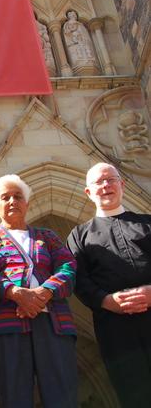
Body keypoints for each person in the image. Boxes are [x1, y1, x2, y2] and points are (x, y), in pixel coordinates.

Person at [0, 174, 77, 408]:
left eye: (18, 196)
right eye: (5, 197)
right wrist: (15, 293)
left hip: (53, 324)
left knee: (62, 396)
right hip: (5, 325)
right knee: (13, 397)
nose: (12, 201)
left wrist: (45, 292)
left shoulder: (47, 236)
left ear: (27, 204)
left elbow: (68, 267)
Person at [67, 162, 151, 408]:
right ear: (88, 192)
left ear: (121, 185)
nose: (105, 186)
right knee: (134, 392)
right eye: (98, 182)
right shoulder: (79, 235)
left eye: (110, 180)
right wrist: (106, 301)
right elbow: (78, 279)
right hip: (115, 326)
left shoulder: (147, 222)